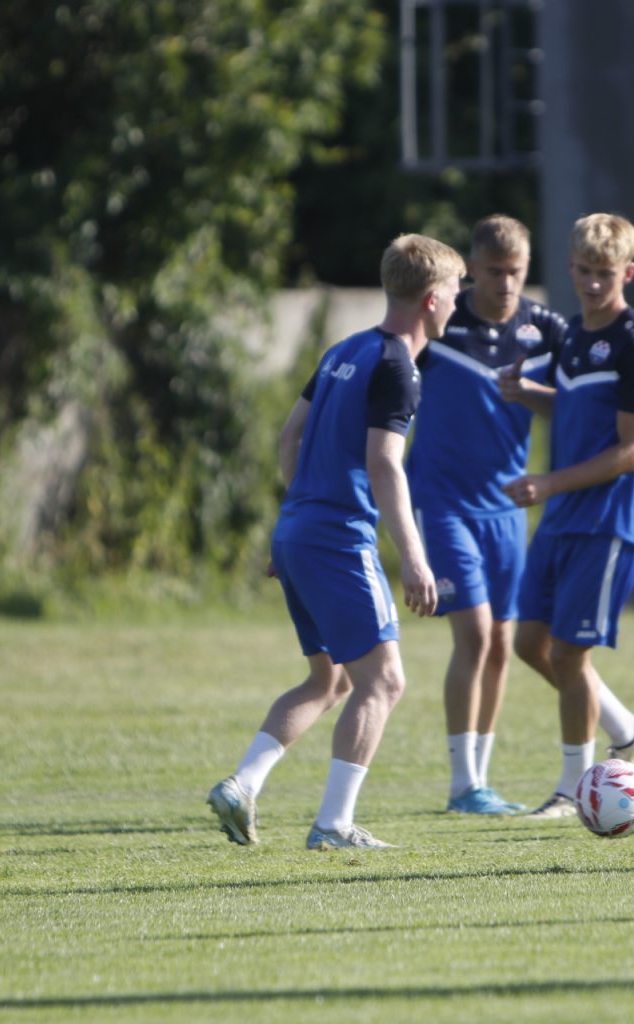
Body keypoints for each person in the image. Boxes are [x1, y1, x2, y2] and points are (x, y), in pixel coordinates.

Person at [206, 234, 462, 850]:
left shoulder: (343, 350)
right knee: (385, 682)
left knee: (330, 682)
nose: (459, 302)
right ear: (431, 299)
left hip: (298, 531)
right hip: (337, 539)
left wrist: (295, 519)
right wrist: (414, 558)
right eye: (456, 291)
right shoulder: (398, 366)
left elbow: (288, 436)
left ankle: (242, 786)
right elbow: (385, 463)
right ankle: (333, 825)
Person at [498, 213, 634, 820]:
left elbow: (633, 450)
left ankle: (574, 787)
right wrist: (528, 394)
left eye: (605, 273)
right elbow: (580, 410)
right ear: (570, 268)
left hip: (607, 521)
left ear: (628, 272)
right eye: (583, 271)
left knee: (569, 655)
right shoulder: (573, 335)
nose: (593, 283)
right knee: (531, 644)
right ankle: (625, 729)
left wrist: (548, 483)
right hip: (562, 517)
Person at [404, 215, 567, 815]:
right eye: (494, 272)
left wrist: (535, 396)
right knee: (472, 633)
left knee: (501, 642)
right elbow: (391, 382)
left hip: (507, 509)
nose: (506, 283)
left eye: (516, 271)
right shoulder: (441, 325)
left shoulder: (545, 330)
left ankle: (481, 780)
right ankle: (460, 785)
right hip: (444, 502)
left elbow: (578, 409)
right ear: (471, 269)